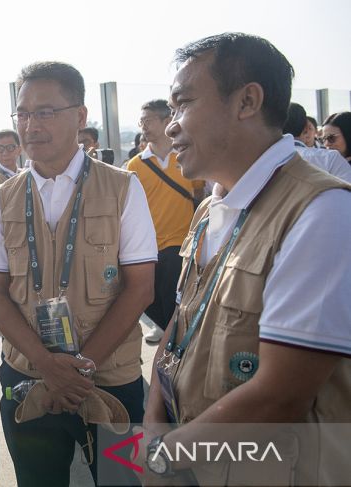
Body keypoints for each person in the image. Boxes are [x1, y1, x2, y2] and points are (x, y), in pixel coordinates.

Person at [142, 33, 351, 485]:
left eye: (182, 104)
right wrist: (153, 417)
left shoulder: (321, 212)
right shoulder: (210, 208)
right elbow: (180, 325)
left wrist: (164, 457)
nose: (170, 125)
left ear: (247, 101)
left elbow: (279, 396)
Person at [0, 61, 157, 486]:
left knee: (124, 481)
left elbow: (140, 289)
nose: (30, 125)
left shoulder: (123, 188)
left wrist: (80, 368)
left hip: (111, 380)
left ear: (80, 117)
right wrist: (46, 365)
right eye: (22, 113)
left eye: (45, 112)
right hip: (28, 380)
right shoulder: (3, 199)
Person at [126, 99, 205, 344]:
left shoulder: (185, 156)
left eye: (148, 121)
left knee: (173, 295)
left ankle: (177, 343)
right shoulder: (135, 165)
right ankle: (177, 338)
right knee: (148, 300)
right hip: (148, 246)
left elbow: (199, 194)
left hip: (181, 244)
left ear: (166, 121)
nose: (144, 127)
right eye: (141, 122)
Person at [283, 102, 351, 182]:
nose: (326, 144)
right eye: (323, 139)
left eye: (331, 138)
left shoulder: (330, 160)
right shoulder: (328, 161)